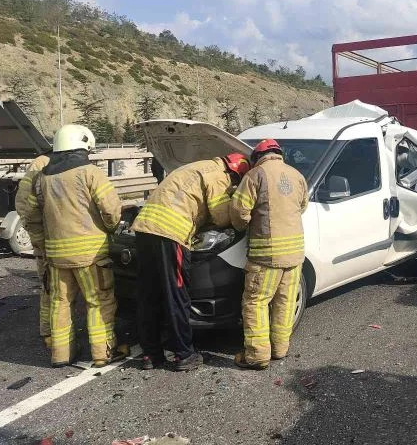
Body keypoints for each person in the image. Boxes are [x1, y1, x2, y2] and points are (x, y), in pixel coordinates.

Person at [131, 152, 250, 371]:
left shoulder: (195, 166)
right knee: (176, 294)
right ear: (235, 173)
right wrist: (235, 200)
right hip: (170, 234)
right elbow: (221, 217)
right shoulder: (218, 177)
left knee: (149, 295)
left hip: (144, 229)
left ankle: (151, 354)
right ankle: (183, 354)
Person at [26, 125, 124, 368]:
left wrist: (41, 241)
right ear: (83, 146)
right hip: (90, 255)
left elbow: (31, 212)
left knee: (60, 303)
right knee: (98, 301)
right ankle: (103, 353)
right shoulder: (91, 172)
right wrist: (111, 229)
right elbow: (111, 209)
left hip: (56, 256)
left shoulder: (43, 178)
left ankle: (61, 354)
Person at [231, 139, 308, 370]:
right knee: (284, 302)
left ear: (257, 157)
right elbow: (303, 206)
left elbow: (239, 212)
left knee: (256, 302)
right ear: (278, 154)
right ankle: (280, 349)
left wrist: (243, 225)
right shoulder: (297, 175)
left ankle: (256, 356)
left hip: (267, 256)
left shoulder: (256, 175)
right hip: (295, 255)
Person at [14, 152, 51, 349]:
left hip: (51, 238)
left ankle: (52, 331)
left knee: (51, 286)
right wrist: (38, 236)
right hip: (48, 238)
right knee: (50, 285)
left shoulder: (46, 163)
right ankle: (49, 331)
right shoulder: (43, 164)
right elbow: (24, 205)